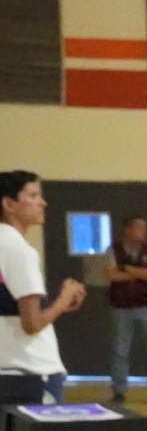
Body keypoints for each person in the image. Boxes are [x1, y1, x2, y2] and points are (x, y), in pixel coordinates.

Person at [0, 171, 85, 404]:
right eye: (33, 195)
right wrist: (63, 299)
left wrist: (57, 307)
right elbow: (32, 324)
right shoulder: (21, 252)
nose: (43, 202)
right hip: (31, 373)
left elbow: (11, 308)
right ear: (9, 204)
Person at [103, 215, 147, 405]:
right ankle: (119, 390)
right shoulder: (113, 250)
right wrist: (142, 274)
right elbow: (112, 275)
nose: (142, 231)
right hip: (121, 308)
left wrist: (128, 269)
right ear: (128, 230)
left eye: (144, 228)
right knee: (120, 350)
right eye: (138, 227)